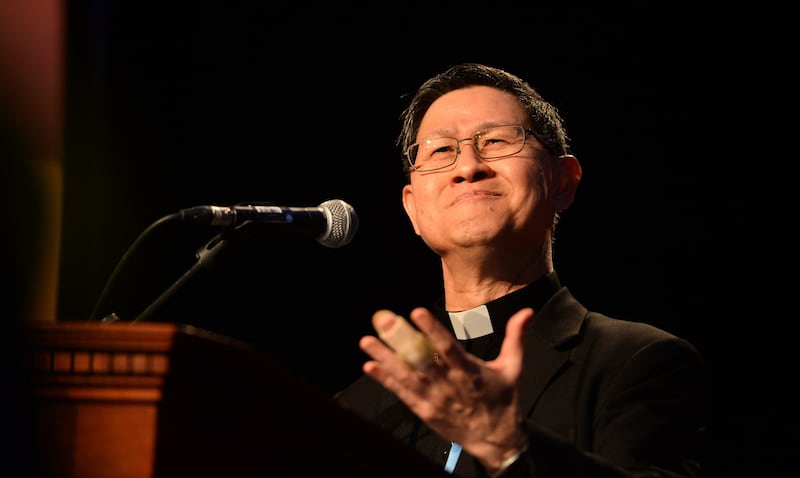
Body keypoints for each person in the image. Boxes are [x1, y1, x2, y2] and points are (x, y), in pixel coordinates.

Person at [334, 62, 708, 478]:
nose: (467, 167)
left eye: (495, 140)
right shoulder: (355, 408)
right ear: (412, 209)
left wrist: (507, 445)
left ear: (563, 181)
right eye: (442, 150)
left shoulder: (634, 362)